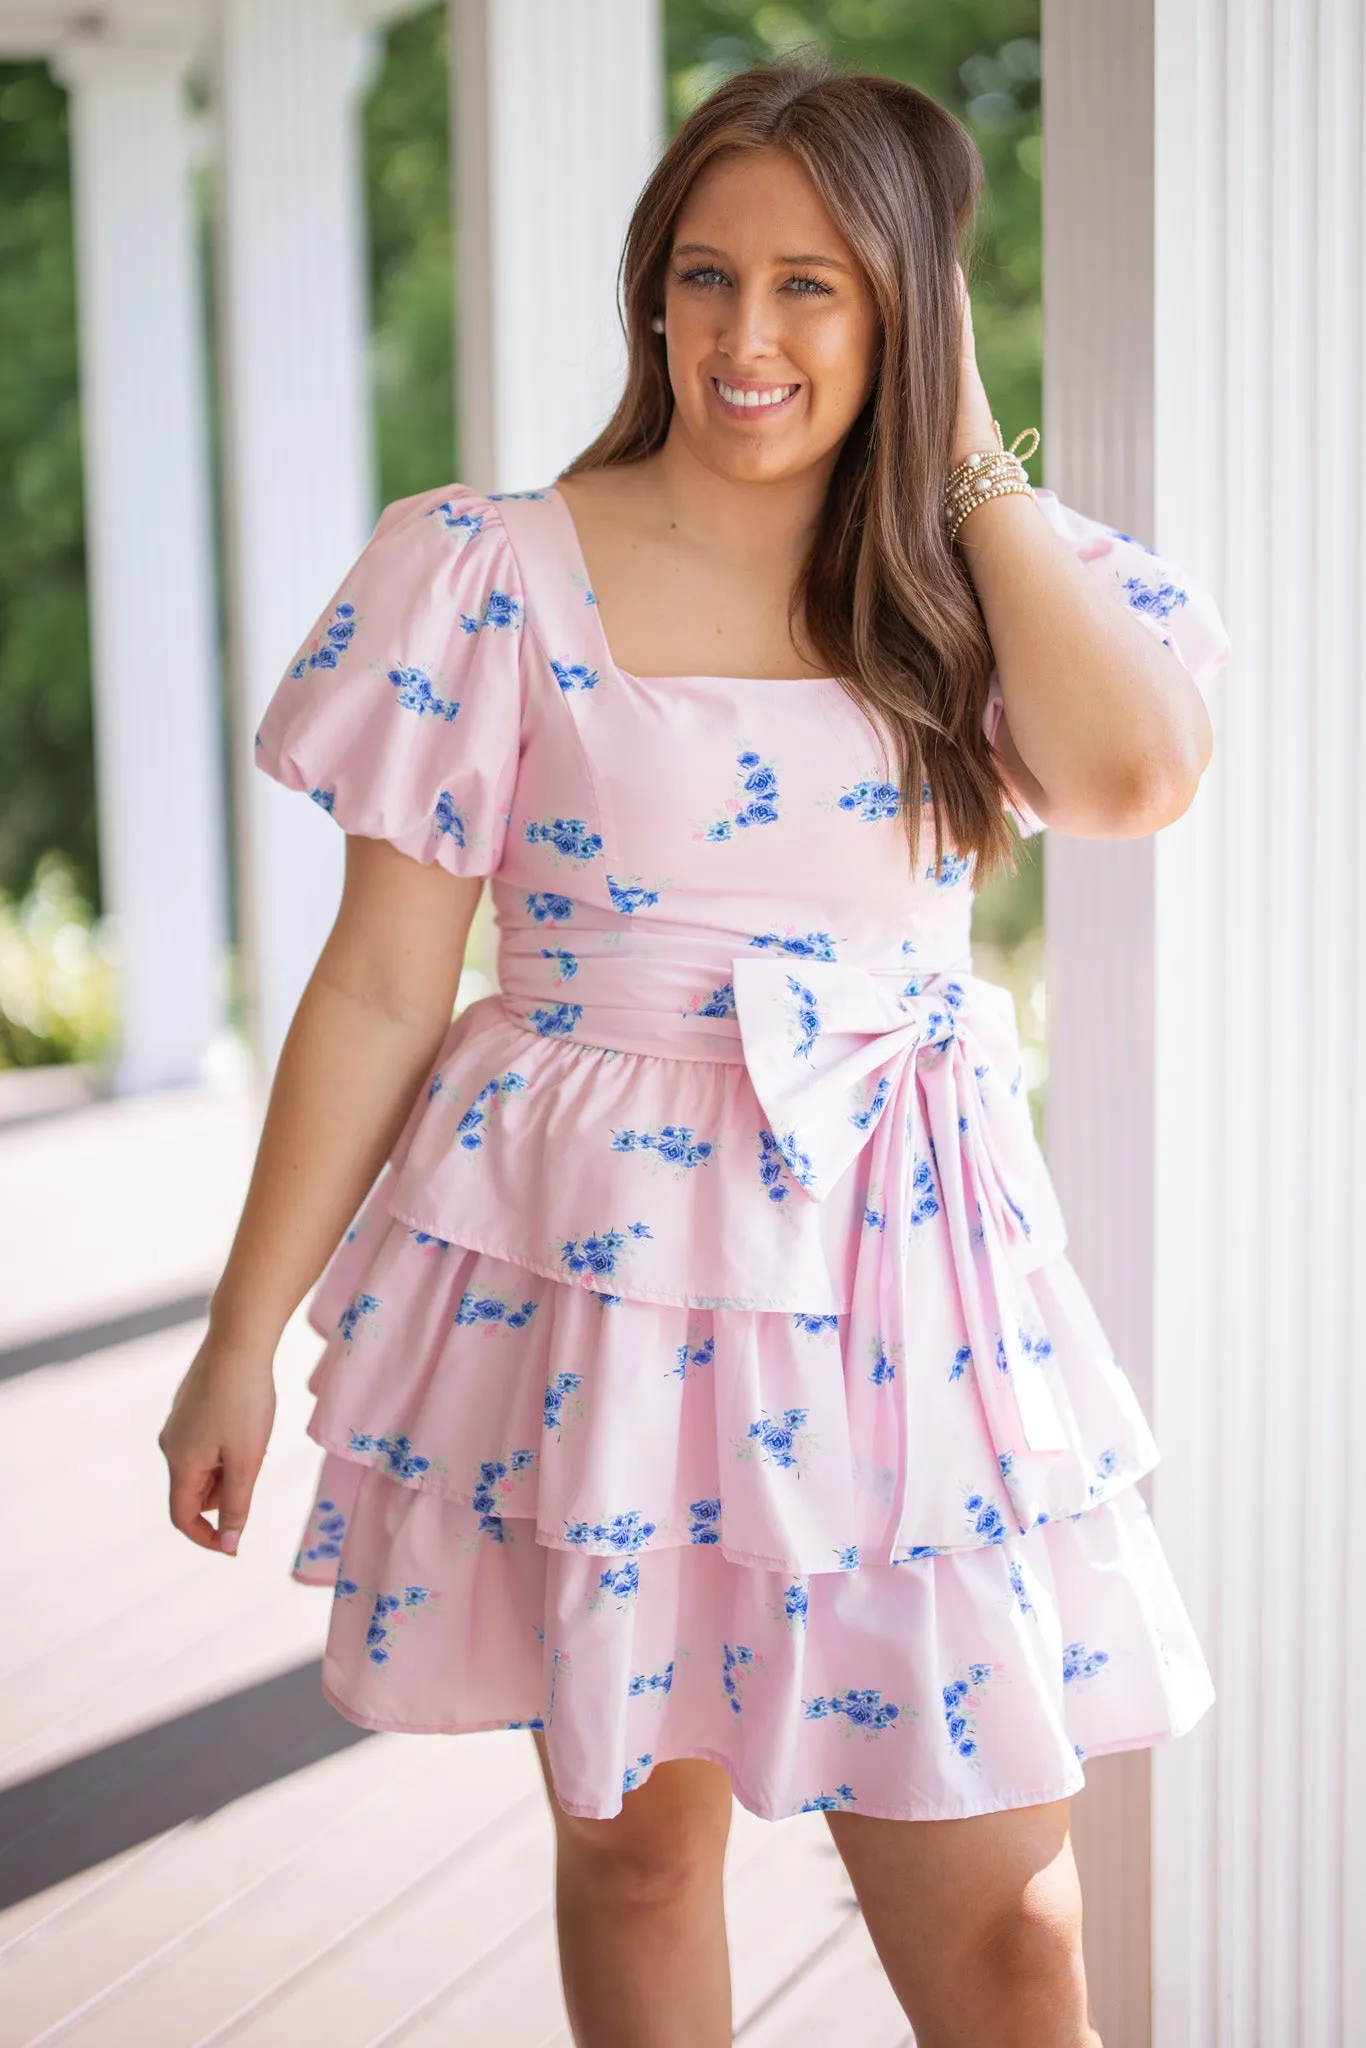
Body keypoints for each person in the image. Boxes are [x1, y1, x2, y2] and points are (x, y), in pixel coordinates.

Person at [158, 54, 1229, 2048]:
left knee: (1009, 1928)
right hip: (600, 1279)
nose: (744, 335)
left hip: (895, 1281)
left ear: (911, 303)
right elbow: (386, 981)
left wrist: (964, 451)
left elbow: (1134, 772)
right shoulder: (482, 568)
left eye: (814, 284)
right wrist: (241, 1330)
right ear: (649, 295)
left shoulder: (971, 572)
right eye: (703, 276)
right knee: (638, 1853)